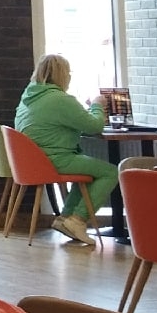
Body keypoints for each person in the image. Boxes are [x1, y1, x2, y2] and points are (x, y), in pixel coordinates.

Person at [13, 54, 116, 247]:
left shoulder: (29, 96)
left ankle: (66, 218)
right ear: (61, 75)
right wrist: (97, 105)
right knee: (111, 172)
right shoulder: (60, 100)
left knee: (86, 170)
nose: (69, 76)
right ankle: (77, 219)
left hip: (35, 160)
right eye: (68, 73)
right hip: (54, 159)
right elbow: (94, 126)